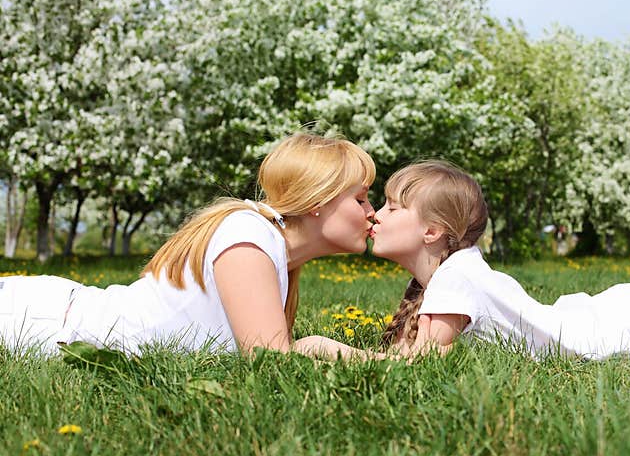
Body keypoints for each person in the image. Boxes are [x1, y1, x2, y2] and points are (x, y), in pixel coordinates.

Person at [294, 111, 630, 361]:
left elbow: (413, 367)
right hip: (618, 320)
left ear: (432, 231)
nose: (376, 216)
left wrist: (323, 347)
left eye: (390, 205)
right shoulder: (453, 273)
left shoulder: (454, 278)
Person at [0, 132, 376, 355]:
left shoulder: (270, 250)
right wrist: (321, 346)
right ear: (317, 202)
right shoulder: (250, 237)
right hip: (37, 322)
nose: (372, 212)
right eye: (360, 199)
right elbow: (269, 360)